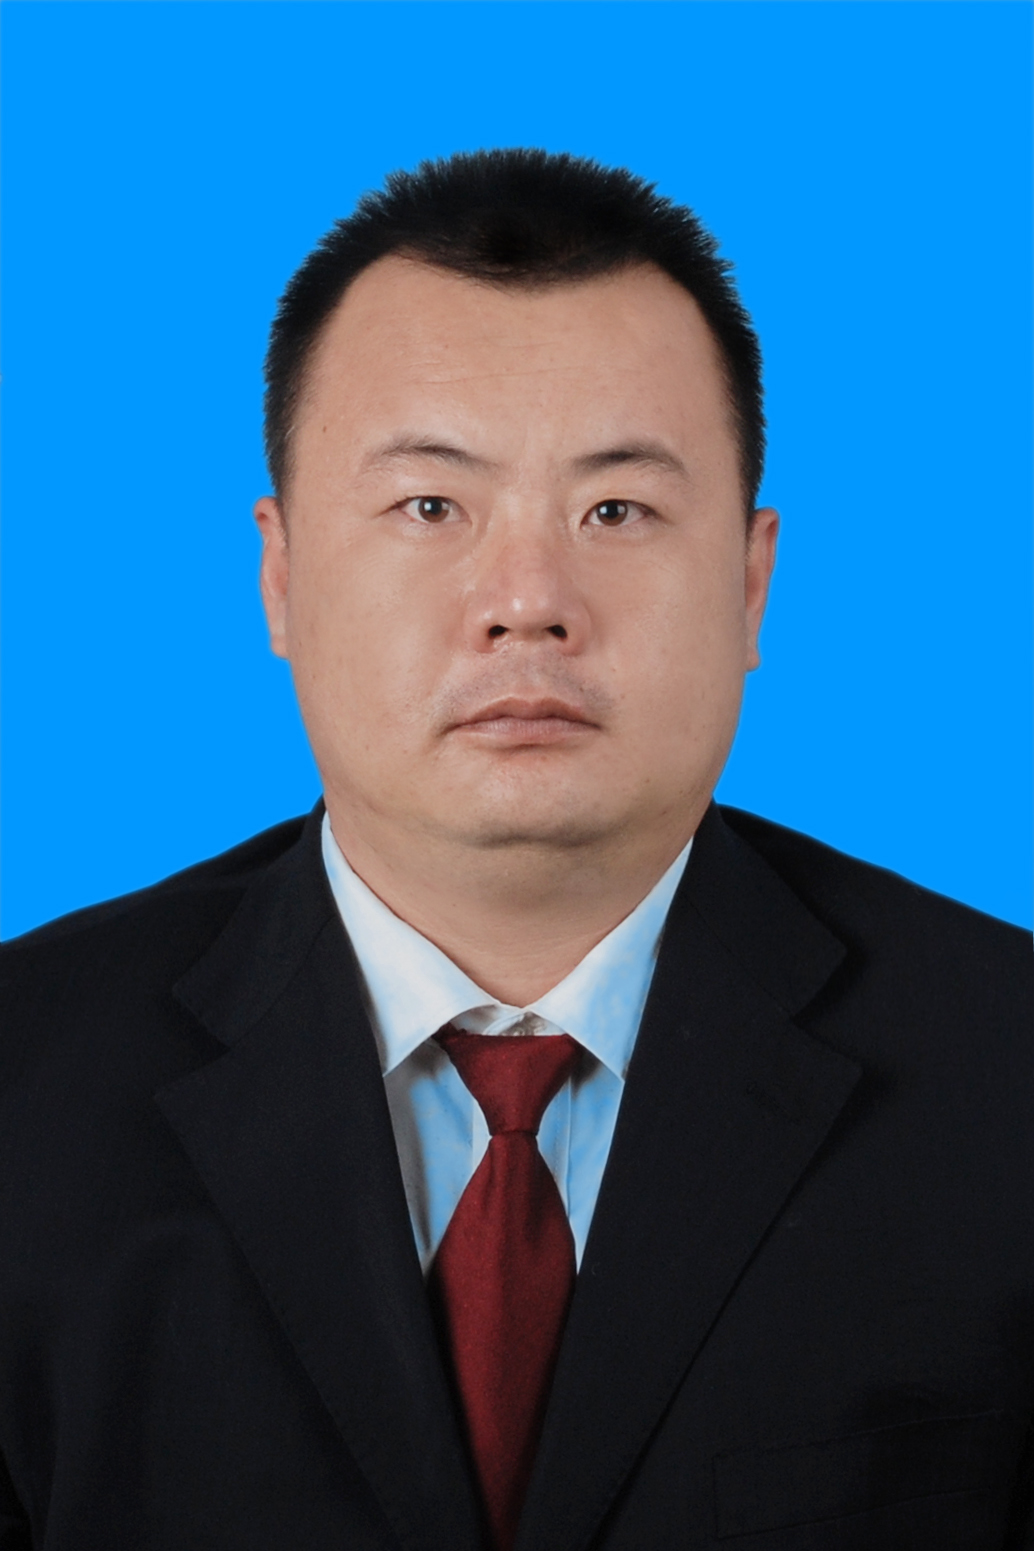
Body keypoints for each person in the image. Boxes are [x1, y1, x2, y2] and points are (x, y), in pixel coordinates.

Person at [0, 149, 1030, 1551]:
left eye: (616, 510)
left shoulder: (1006, 1074)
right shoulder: (27, 1084)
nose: (528, 601)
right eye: (431, 505)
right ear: (281, 574)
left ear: (749, 581)